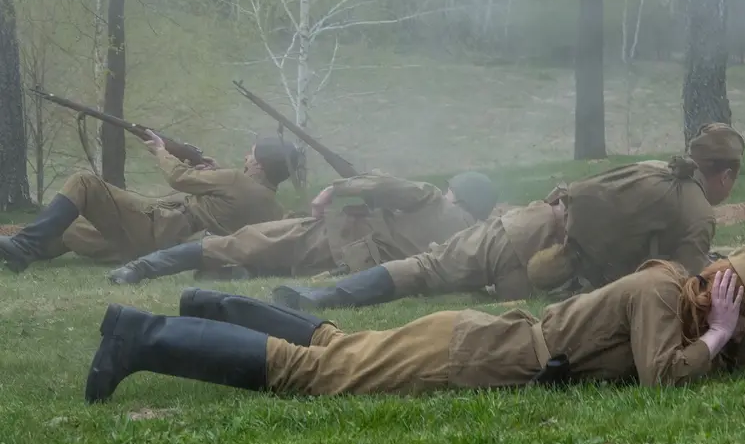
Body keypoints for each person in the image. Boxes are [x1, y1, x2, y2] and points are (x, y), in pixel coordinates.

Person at [83, 245, 745, 403]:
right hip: (474, 355)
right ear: (721, 293)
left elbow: (707, 367)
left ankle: (208, 305)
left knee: (334, 343)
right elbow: (666, 376)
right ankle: (137, 336)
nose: (740, 336)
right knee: (316, 372)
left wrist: (725, 337)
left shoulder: (673, 290)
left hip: (480, 338)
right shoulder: (659, 296)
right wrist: (720, 333)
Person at [268, 122, 745, 312]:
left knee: (427, 267)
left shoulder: (654, 169)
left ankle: (324, 297)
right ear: (725, 174)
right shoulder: (698, 212)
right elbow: (680, 285)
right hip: (548, 278)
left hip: (521, 227)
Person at [105, 171, 499, 285]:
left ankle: (143, 268)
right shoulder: (470, 238)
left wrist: (333, 190)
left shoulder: (430, 197)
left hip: (333, 238)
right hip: (354, 270)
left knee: (240, 242)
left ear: (457, 194)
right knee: (266, 260)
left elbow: (382, 183)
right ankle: (239, 273)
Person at [0, 132, 300, 273]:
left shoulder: (235, 179)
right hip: (169, 253)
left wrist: (160, 150)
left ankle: (24, 245)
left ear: (259, 165)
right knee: (71, 227)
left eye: (251, 154)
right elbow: (229, 207)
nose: (246, 158)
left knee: (83, 183)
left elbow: (178, 178)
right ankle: (20, 253)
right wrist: (213, 172)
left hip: (158, 231)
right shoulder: (272, 208)